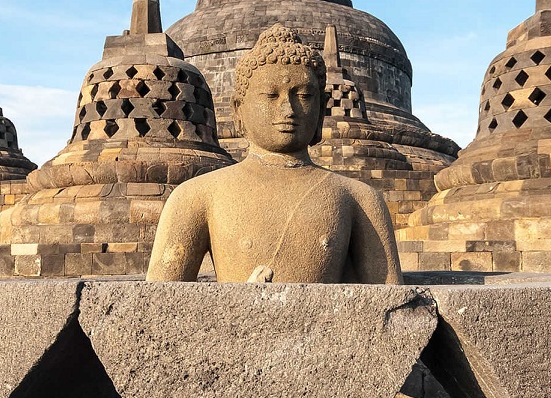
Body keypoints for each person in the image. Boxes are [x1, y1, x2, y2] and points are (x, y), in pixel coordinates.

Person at [146, 24, 402, 284]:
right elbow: (156, 307)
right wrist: (239, 306)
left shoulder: (359, 199)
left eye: (303, 95)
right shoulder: (196, 196)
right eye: (270, 95)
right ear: (238, 110)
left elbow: (391, 306)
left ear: (322, 109)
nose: (288, 109)